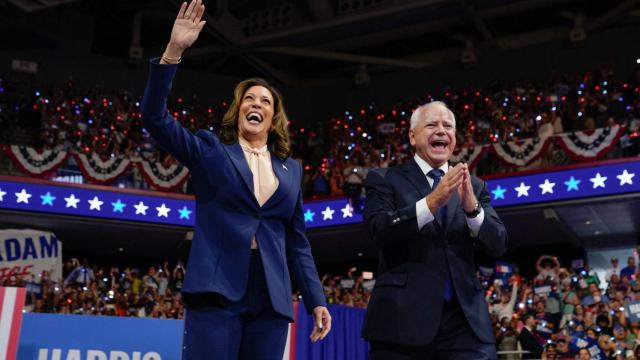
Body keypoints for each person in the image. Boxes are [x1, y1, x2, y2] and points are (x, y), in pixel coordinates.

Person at [140, 1, 331, 358]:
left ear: (273, 117)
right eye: (249, 99)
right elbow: (154, 117)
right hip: (217, 290)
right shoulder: (211, 150)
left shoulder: (292, 169)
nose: (256, 104)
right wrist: (173, 51)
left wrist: (315, 299)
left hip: (271, 298)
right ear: (239, 108)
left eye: (265, 101)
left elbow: (297, 242)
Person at [361, 101, 508, 359]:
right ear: (412, 135)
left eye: (447, 126)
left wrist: (472, 209)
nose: (441, 131)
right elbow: (379, 230)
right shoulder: (384, 179)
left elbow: (498, 244)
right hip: (401, 324)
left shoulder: (474, 186)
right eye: (432, 125)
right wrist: (431, 203)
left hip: (465, 324)